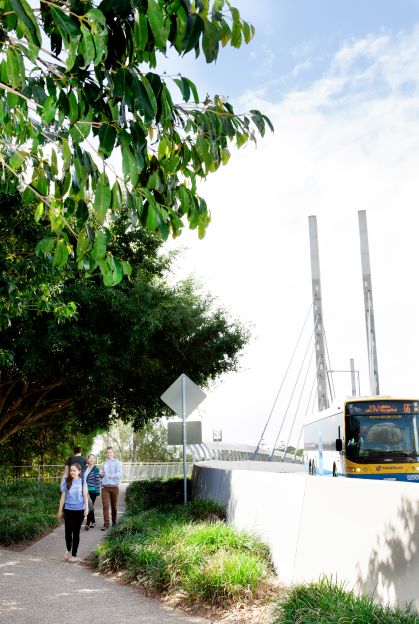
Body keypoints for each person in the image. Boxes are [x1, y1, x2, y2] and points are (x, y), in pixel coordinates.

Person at [57, 463, 88, 562]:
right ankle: (68, 550)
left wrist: (86, 508)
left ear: (79, 471)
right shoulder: (66, 481)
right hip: (68, 510)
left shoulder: (82, 481)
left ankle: (74, 555)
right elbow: (62, 497)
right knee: (67, 532)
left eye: (74, 470)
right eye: (71, 470)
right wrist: (59, 510)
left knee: (76, 532)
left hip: (79, 510)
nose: (72, 472)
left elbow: (85, 496)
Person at [100, 447, 122, 530]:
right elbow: (101, 473)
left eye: (110, 452)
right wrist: (101, 474)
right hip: (105, 487)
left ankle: (114, 522)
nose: (109, 453)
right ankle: (106, 524)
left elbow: (119, 473)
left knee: (114, 506)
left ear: (113, 453)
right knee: (105, 506)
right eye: (108, 452)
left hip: (114, 487)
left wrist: (113, 476)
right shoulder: (104, 463)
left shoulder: (118, 462)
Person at [83, 454, 101, 530]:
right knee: (90, 507)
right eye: (90, 458)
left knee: (90, 507)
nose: (91, 459)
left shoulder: (96, 469)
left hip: (92, 491)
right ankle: (93, 522)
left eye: (93, 458)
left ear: (95, 460)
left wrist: (98, 492)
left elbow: (98, 481)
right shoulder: (84, 468)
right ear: (88, 459)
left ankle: (87, 523)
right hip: (84, 490)